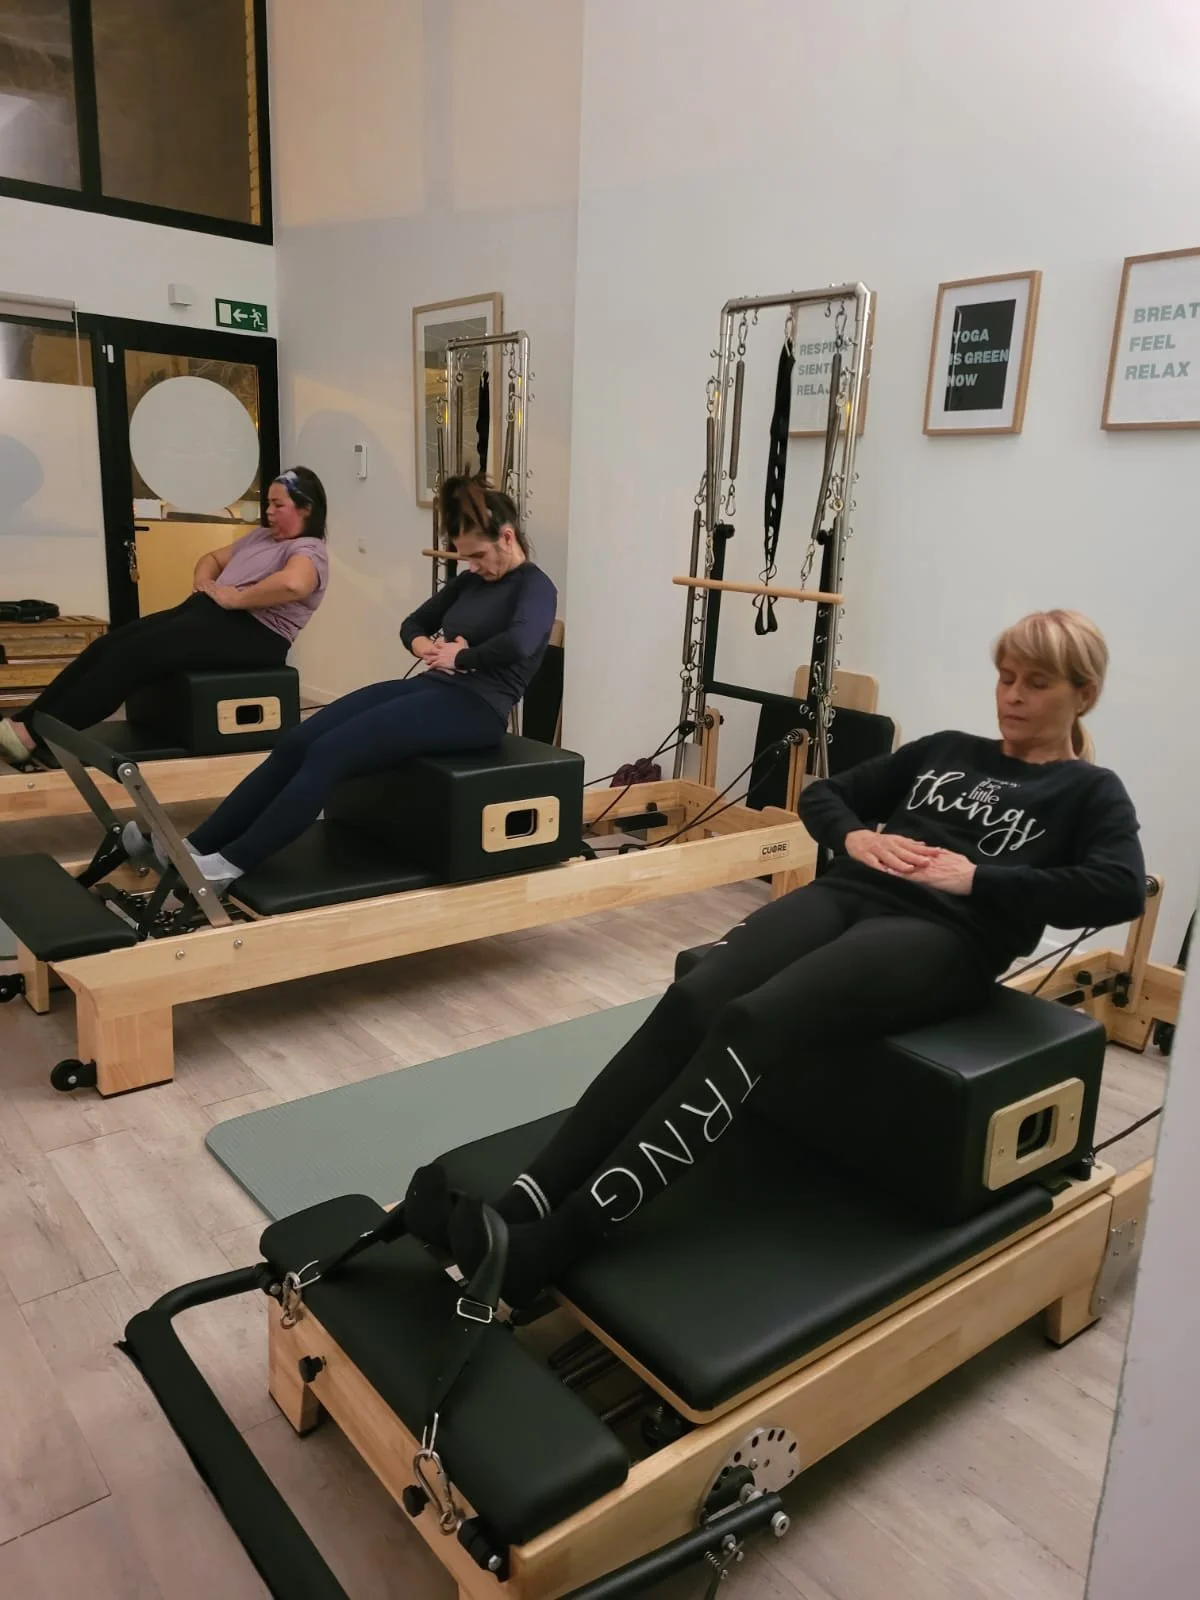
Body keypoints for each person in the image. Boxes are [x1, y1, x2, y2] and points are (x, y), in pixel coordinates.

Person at [405, 609, 1147, 1308]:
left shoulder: (1088, 791)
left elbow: (1119, 888)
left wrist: (979, 878)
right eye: (1006, 677)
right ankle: (527, 1198)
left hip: (946, 935)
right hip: (850, 891)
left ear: (1083, 694)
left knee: (754, 1022)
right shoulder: (950, 750)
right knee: (694, 997)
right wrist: (856, 837)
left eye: (1036, 683)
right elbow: (828, 795)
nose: (1012, 696)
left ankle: (562, 1241)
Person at [149, 475, 557, 890]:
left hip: (478, 708)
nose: (472, 566)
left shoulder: (536, 586)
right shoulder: (470, 582)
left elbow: (521, 643)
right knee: (297, 742)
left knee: (330, 753)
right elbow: (413, 623)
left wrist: (462, 656)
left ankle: (227, 865)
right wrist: (424, 646)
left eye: (479, 555)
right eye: (467, 557)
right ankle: (195, 846)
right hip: (434, 687)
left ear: (507, 538)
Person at [0, 466, 330, 767]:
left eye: (278, 505)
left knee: (131, 657)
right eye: (268, 503)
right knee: (108, 645)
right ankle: (22, 723)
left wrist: (238, 598)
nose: (269, 511)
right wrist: (204, 583)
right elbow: (212, 558)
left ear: (306, 509)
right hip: (209, 614)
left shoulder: (308, 549)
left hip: (256, 634)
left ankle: (31, 736)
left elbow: (294, 584)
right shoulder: (261, 537)